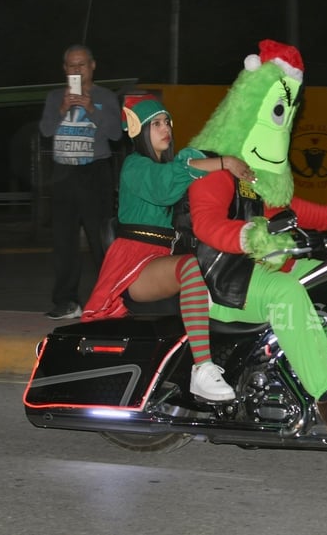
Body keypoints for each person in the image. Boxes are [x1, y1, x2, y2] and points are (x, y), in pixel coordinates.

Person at [186, 39, 327, 430]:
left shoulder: (255, 179)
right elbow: (206, 225)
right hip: (222, 279)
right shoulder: (213, 171)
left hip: (256, 271)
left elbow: (294, 210)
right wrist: (253, 237)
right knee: (287, 293)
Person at [81, 95, 255, 401]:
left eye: (167, 123)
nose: (166, 129)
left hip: (157, 257)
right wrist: (225, 162)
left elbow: (190, 170)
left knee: (212, 269)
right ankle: (202, 368)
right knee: (188, 266)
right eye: (156, 124)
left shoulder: (174, 165)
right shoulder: (135, 166)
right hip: (133, 261)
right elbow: (163, 187)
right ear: (139, 132)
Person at [39, 44, 122, 320]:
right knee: (64, 242)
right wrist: (63, 108)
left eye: (82, 64)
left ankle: (108, 301)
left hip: (95, 173)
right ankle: (66, 302)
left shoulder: (105, 96)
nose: (77, 70)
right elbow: (46, 130)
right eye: (72, 66)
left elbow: (115, 134)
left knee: (101, 242)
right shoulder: (54, 97)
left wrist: (91, 109)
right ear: (65, 69)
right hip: (64, 173)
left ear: (93, 66)